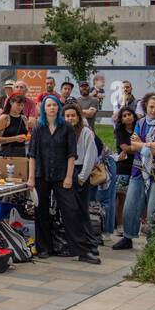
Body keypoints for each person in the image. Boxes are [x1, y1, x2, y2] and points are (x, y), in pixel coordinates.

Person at [113, 93, 155, 251]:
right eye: (151, 107)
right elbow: (132, 146)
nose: (154, 110)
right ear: (146, 107)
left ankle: (153, 241)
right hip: (139, 170)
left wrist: (141, 144)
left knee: (154, 208)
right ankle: (128, 238)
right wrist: (148, 144)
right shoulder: (140, 122)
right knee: (131, 205)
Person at [28, 95, 80, 261]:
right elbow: (32, 155)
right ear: (43, 108)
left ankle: (79, 248)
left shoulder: (66, 127)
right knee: (40, 211)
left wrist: (69, 176)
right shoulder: (38, 128)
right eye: (48, 105)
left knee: (71, 210)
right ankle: (44, 247)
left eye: (54, 105)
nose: (52, 107)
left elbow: (72, 154)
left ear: (59, 107)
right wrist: (31, 178)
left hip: (61, 174)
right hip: (41, 174)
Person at [62, 103, 101, 264]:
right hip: (66, 173)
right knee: (71, 212)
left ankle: (91, 245)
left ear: (78, 117)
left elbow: (90, 156)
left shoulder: (85, 132)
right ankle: (75, 245)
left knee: (82, 210)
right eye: (67, 116)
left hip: (79, 172)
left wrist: (82, 177)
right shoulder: (62, 132)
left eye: (73, 115)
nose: (70, 118)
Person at [0, 93, 31, 182]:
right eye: (18, 104)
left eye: (22, 105)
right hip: (7, 154)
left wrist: (27, 137)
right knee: (5, 181)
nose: (20, 107)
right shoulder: (5, 118)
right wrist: (15, 138)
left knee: (20, 180)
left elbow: (26, 134)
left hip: (21, 153)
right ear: (11, 102)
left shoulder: (24, 118)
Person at [113, 107, 138, 234]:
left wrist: (130, 148)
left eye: (130, 114)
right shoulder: (120, 131)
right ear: (121, 119)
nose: (127, 117)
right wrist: (138, 147)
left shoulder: (139, 129)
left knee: (136, 197)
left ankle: (139, 224)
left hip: (138, 166)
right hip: (123, 167)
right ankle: (120, 225)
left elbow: (130, 148)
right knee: (121, 197)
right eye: (124, 115)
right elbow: (125, 147)